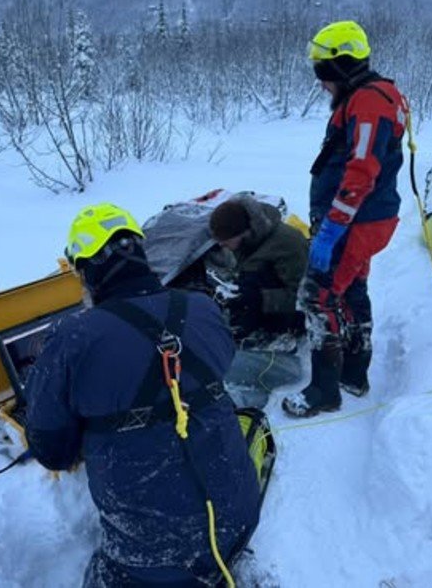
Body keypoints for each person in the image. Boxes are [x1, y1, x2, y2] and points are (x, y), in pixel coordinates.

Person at [24, 203, 260, 587]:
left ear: (87, 270)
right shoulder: (203, 308)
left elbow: (52, 451)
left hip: (150, 555)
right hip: (239, 518)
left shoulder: (73, 338)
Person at [282, 20, 409, 418]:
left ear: (344, 67)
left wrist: (332, 228)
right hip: (364, 218)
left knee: (318, 297)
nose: (321, 83)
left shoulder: (369, 102)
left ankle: (324, 390)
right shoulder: (371, 96)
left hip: (356, 221)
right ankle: (355, 373)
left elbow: (362, 169)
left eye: (324, 73)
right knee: (352, 288)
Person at [209, 195, 309, 409]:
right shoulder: (249, 241)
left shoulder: (288, 244)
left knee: (252, 287)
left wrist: (258, 299)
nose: (222, 245)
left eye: (225, 240)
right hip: (262, 305)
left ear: (243, 233)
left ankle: (278, 341)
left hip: (291, 316)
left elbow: (306, 299)